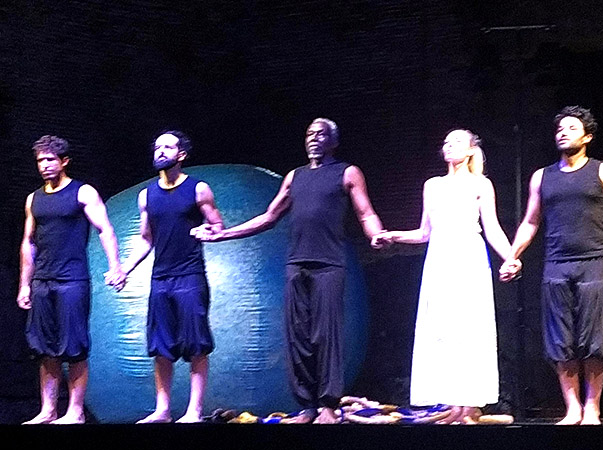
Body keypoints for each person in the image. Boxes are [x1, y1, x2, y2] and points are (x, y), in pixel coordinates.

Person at [191, 118, 385, 424]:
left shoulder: (347, 172)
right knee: (298, 337)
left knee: (326, 336)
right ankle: (307, 407)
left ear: (333, 141)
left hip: (329, 264)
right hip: (297, 263)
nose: (313, 138)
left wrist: (377, 234)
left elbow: (366, 212)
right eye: (309, 134)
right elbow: (269, 216)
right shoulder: (295, 177)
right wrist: (224, 234)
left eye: (321, 134)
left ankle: (328, 406)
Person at [499, 106, 603, 425]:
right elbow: (531, 221)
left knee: (595, 339)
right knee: (560, 340)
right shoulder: (542, 176)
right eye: (560, 128)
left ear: (587, 137)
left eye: (572, 128)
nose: (563, 132)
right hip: (556, 264)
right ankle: (572, 408)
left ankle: (592, 408)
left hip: (595, 261)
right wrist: (513, 256)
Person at [374, 129, 513, 424]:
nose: (449, 145)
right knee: (442, 328)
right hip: (439, 260)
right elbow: (424, 232)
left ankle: (469, 404)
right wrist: (392, 235)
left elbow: (492, 228)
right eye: (446, 142)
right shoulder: (433, 185)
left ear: (471, 150)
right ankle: (450, 403)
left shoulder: (480, 184)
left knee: (469, 328)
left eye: (457, 141)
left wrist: (511, 257)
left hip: (469, 258)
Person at [17, 135, 125, 424]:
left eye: (50, 159)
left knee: (74, 348)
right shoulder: (34, 199)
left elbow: (105, 229)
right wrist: (24, 284)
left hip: (72, 280)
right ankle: (48, 411)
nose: (44, 165)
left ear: (64, 161)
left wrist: (115, 266)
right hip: (42, 281)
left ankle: (75, 412)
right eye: (40, 160)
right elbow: (28, 242)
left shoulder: (82, 192)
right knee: (44, 349)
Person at [118, 131, 224, 423]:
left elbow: (218, 225)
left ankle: (194, 411)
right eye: (157, 147)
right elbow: (146, 239)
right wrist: (124, 268)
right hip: (160, 279)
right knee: (161, 346)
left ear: (182, 155)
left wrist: (208, 230)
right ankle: (162, 410)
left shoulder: (198, 189)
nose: (161, 151)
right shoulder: (146, 195)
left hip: (190, 276)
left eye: (168, 147)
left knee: (196, 344)